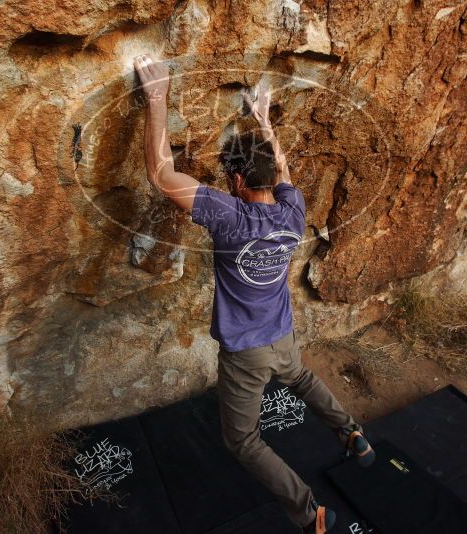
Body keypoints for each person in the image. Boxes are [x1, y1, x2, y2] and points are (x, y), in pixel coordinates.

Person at [133, 53, 375, 534]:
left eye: (229, 177)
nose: (226, 183)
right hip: (282, 334)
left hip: (246, 352)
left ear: (238, 182)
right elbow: (282, 170)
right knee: (301, 379)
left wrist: (157, 96)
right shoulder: (292, 210)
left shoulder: (228, 215)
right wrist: (264, 122)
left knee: (243, 441)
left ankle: (309, 513)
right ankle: (351, 433)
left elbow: (161, 176)